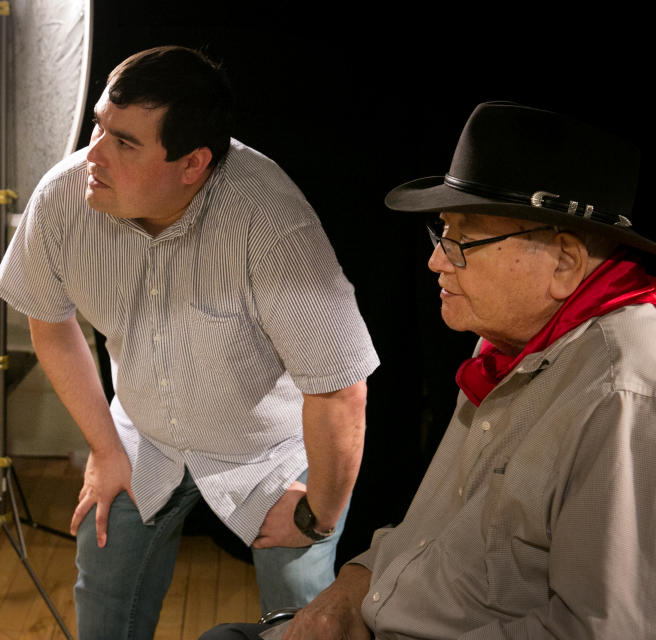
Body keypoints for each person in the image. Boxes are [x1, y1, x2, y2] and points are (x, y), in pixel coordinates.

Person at [203, 102, 656, 639]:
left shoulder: (619, 393)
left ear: (563, 262)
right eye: (442, 233)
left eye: (464, 240)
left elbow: (601, 630)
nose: (437, 261)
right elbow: (426, 533)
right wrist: (349, 587)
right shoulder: (507, 347)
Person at [0, 45, 379, 638]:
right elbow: (49, 322)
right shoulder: (66, 195)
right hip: (143, 433)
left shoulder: (272, 222)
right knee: (103, 599)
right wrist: (102, 448)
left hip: (269, 451)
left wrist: (320, 514)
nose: (91, 155)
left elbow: (341, 388)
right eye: (99, 126)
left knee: (306, 621)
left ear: (193, 163)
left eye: (125, 142)